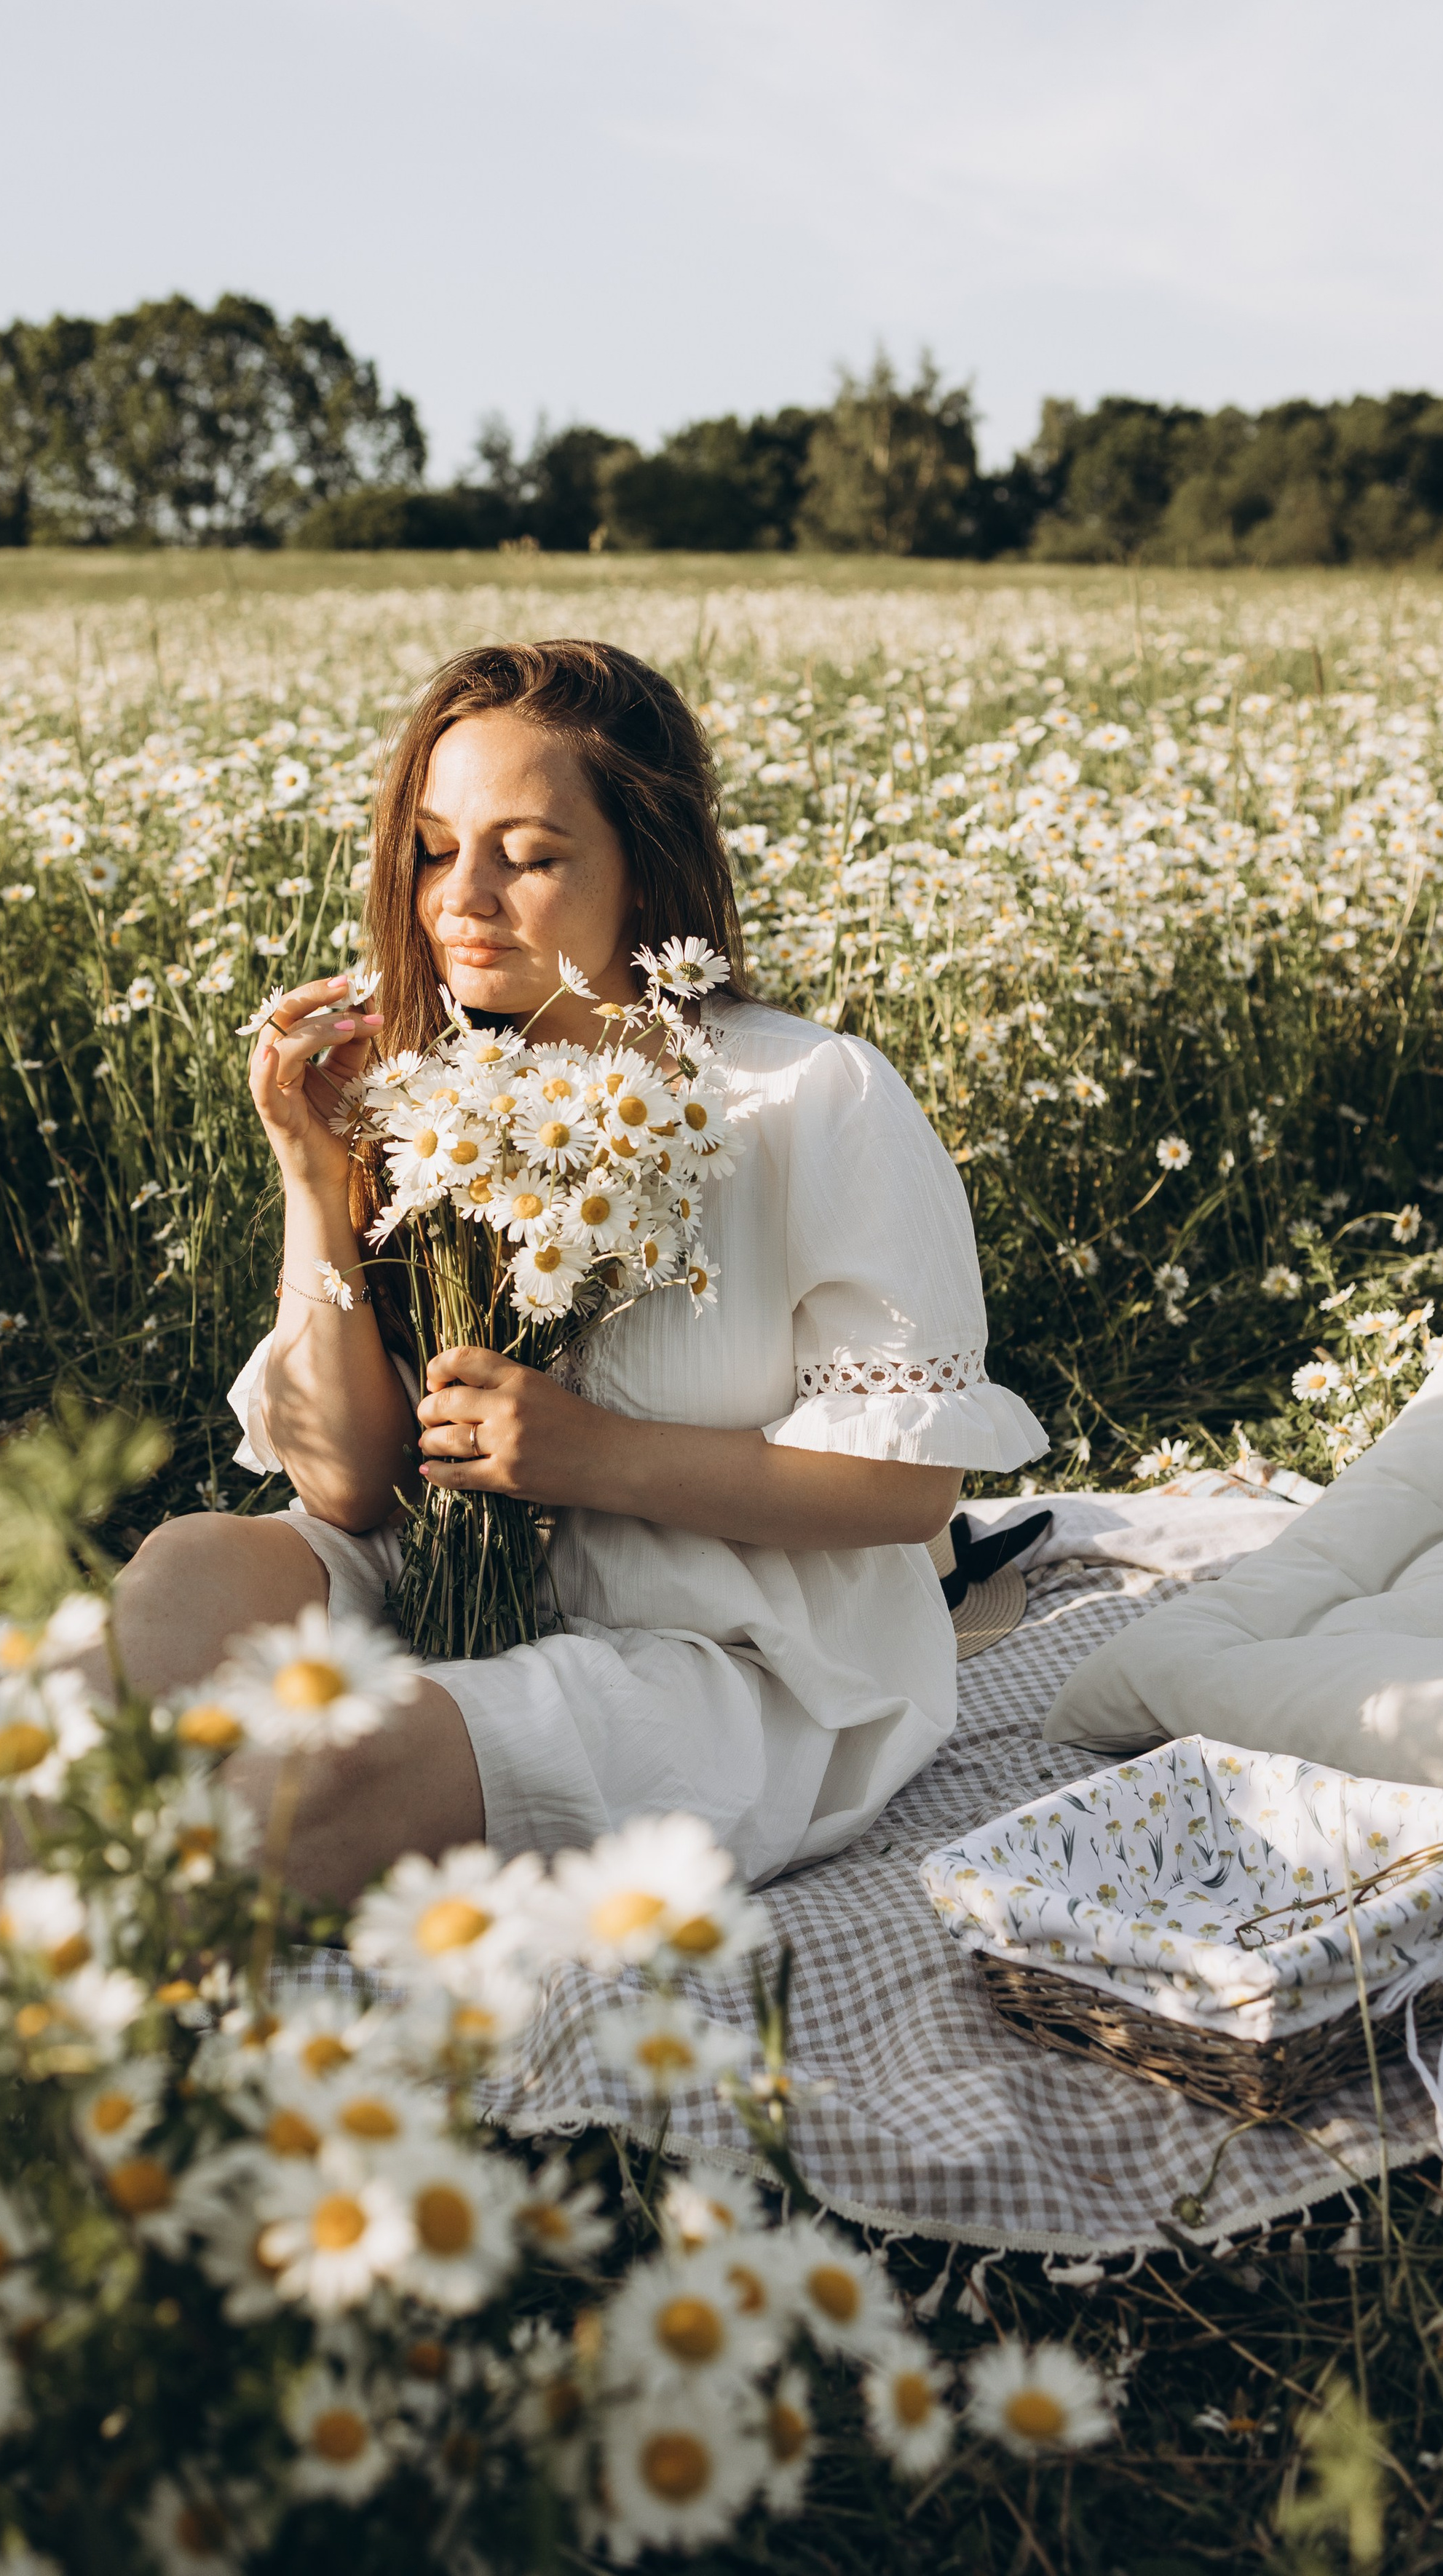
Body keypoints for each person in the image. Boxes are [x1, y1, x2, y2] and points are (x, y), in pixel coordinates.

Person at [117, 641, 1047, 1903]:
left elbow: (910, 1494)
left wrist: (587, 1456)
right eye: (436, 848)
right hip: (430, 1574)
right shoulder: (419, 1094)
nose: (462, 898)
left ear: (645, 870)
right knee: (177, 1586)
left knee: (331, 1777)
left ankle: (38, 1975)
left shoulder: (800, 1096)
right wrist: (310, 1170)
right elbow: (347, 1489)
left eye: (532, 856)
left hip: (718, 1651)